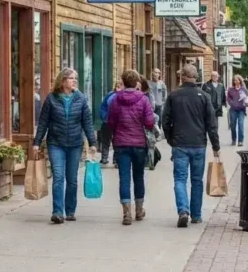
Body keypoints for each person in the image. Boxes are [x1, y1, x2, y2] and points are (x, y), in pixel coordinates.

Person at [32, 68, 97, 224]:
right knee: (58, 177)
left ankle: (70, 210)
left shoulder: (81, 98)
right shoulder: (51, 99)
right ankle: (57, 212)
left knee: (72, 179)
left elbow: (87, 122)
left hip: (75, 144)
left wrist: (92, 142)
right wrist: (37, 142)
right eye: (71, 78)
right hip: (56, 143)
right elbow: (43, 122)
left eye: (75, 78)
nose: (74, 81)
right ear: (62, 81)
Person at [162, 64, 220, 227]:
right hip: (198, 143)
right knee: (197, 180)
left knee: (180, 179)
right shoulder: (204, 96)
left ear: (182, 77)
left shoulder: (174, 95)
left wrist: (170, 139)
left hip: (180, 143)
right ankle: (196, 215)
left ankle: (183, 210)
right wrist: (215, 145)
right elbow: (211, 124)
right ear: (196, 77)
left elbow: (165, 121)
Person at [107, 70, 156, 225]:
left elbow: (110, 122)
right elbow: (149, 122)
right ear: (137, 83)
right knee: (138, 177)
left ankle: (126, 213)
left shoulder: (116, 99)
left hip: (121, 143)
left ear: (123, 82)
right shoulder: (143, 99)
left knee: (124, 177)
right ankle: (139, 210)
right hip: (139, 143)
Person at [97, 82, 121, 166]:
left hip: (110, 121)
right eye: (118, 87)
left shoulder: (111, 95)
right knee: (112, 140)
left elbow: (103, 107)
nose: (119, 89)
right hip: (110, 121)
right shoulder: (112, 95)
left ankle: (108, 159)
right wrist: (104, 117)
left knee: (109, 140)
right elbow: (103, 107)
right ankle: (111, 159)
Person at [226, 74, 248, 147]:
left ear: (240, 81)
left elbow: (247, 98)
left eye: (237, 80)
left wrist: (245, 103)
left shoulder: (243, 89)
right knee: (233, 125)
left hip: (241, 110)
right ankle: (234, 139)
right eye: (234, 80)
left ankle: (240, 141)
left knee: (240, 124)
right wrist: (233, 103)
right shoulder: (231, 89)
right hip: (233, 110)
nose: (236, 81)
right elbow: (228, 98)